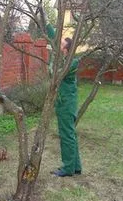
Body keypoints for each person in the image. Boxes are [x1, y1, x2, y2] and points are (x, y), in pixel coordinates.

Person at [46, 23, 82, 177]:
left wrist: (52, 56)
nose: (57, 46)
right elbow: (55, 39)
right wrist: (46, 21)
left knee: (66, 135)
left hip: (66, 105)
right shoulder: (67, 59)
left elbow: (54, 74)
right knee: (70, 134)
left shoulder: (71, 63)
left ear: (66, 50)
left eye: (61, 45)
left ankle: (68, 169)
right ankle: (76, 166)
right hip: (66, 103)